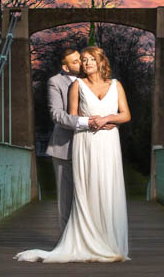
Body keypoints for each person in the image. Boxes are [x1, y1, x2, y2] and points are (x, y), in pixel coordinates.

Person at [16, 45, 130, 262]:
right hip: (77, 143)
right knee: (73, 199)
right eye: (80, 60)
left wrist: (107, 119)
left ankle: (106, 239)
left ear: (100, 61)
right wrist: (91, 122)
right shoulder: (63, 83)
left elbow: (124, 114)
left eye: (87, 59)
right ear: (66, 65)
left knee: (106, 189)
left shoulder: (115, 85)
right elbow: (61, 116)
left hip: (107, 142)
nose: (83, 63)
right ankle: (75, 242)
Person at [45, 48, 95, 232]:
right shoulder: (55, 82)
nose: (81, 63)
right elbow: (57, 115)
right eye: (75, 62)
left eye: (80, 59)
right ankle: (67, 241)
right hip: (64, 148)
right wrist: (86, 122)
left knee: (90, 196)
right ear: (65, 68)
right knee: (66, 199)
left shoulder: (93, 80)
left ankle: (88, 238)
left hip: (92, 146)